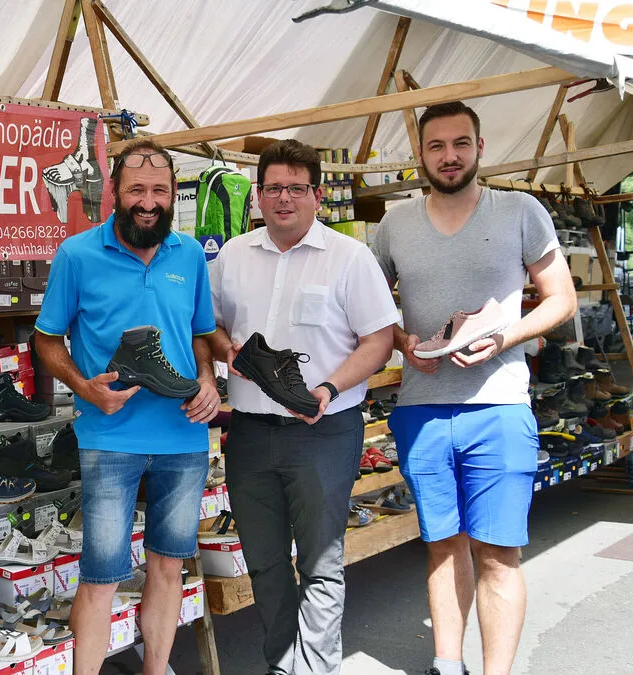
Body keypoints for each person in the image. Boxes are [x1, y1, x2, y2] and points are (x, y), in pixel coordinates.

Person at [372, 101, 576, 675]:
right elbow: (367, 305)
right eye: (436, 146)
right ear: (420, 155)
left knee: (498, 553)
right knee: (442, 544)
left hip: (500, 405)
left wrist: (507, 335)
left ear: (480, 148)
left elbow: (560, 297)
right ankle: (447, 663)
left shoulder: (519, 211)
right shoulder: (395, 224)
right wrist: (402, 340)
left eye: (460, 143)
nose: (450, 156)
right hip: (421, 407)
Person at [207, 139, 399, 674]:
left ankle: (314, 669)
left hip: (324, 431)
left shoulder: (349, 257)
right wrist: (230, 353)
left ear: (316, 195)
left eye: (296, 188)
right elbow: (212, 326)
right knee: (265, 563)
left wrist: (330, 389)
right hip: (247, 431)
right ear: (259, 196)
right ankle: (282, 664)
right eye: (273, 188)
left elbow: (379, 340)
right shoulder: (233, 256)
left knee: (320, 562)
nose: (284, 198)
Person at [34, 138, 220, 675]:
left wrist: (206, 378)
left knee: (168, 566)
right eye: (137, 189)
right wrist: (84, 387)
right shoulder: (77, 254)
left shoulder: (188, 254)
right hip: (109, 434)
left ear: (172, 194)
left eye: (159, 190)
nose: (149, 201)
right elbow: (47, 340)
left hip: (183, 433)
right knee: (102, 574)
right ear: (114, 191)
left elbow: (202, 333)